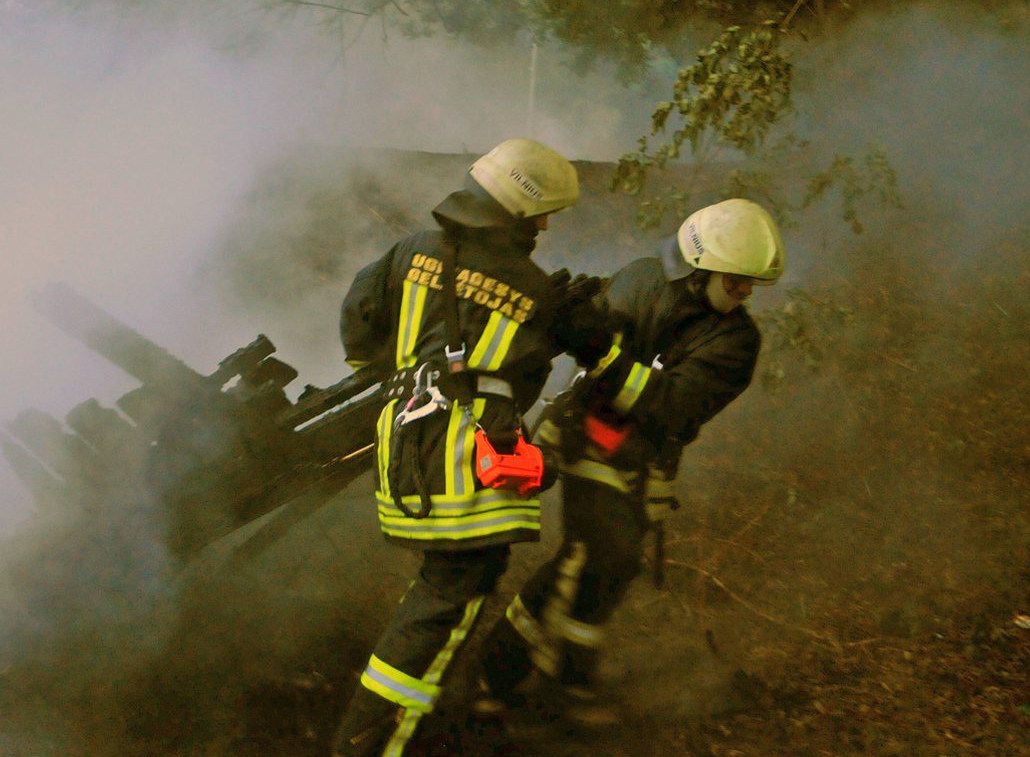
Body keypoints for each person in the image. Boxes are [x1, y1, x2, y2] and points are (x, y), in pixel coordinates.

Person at [330, 139, 610, 757]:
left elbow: (359, 322)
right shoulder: (535, 288)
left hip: (402, 441)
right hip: (468, 457)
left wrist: (411, 370)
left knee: (445, 584)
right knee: (451, 589)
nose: (544, 227)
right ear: (520, 208)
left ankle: (403, 724)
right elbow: (553, 366)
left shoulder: (410, 250)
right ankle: (370, 744)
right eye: (543, 215)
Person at [475, 197, 786, 724]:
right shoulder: (643, 280)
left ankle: (518, 673)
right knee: (604, 553)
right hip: (585, 438)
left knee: (603, 566)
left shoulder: (736, 343)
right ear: (701, 268)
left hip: (643, 460)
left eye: (751, 284)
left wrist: (604, 353)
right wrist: (564, 321)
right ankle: (540, 680)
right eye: (737, 280)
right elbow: (586, 342)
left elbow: (670, 406)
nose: (745, 292)